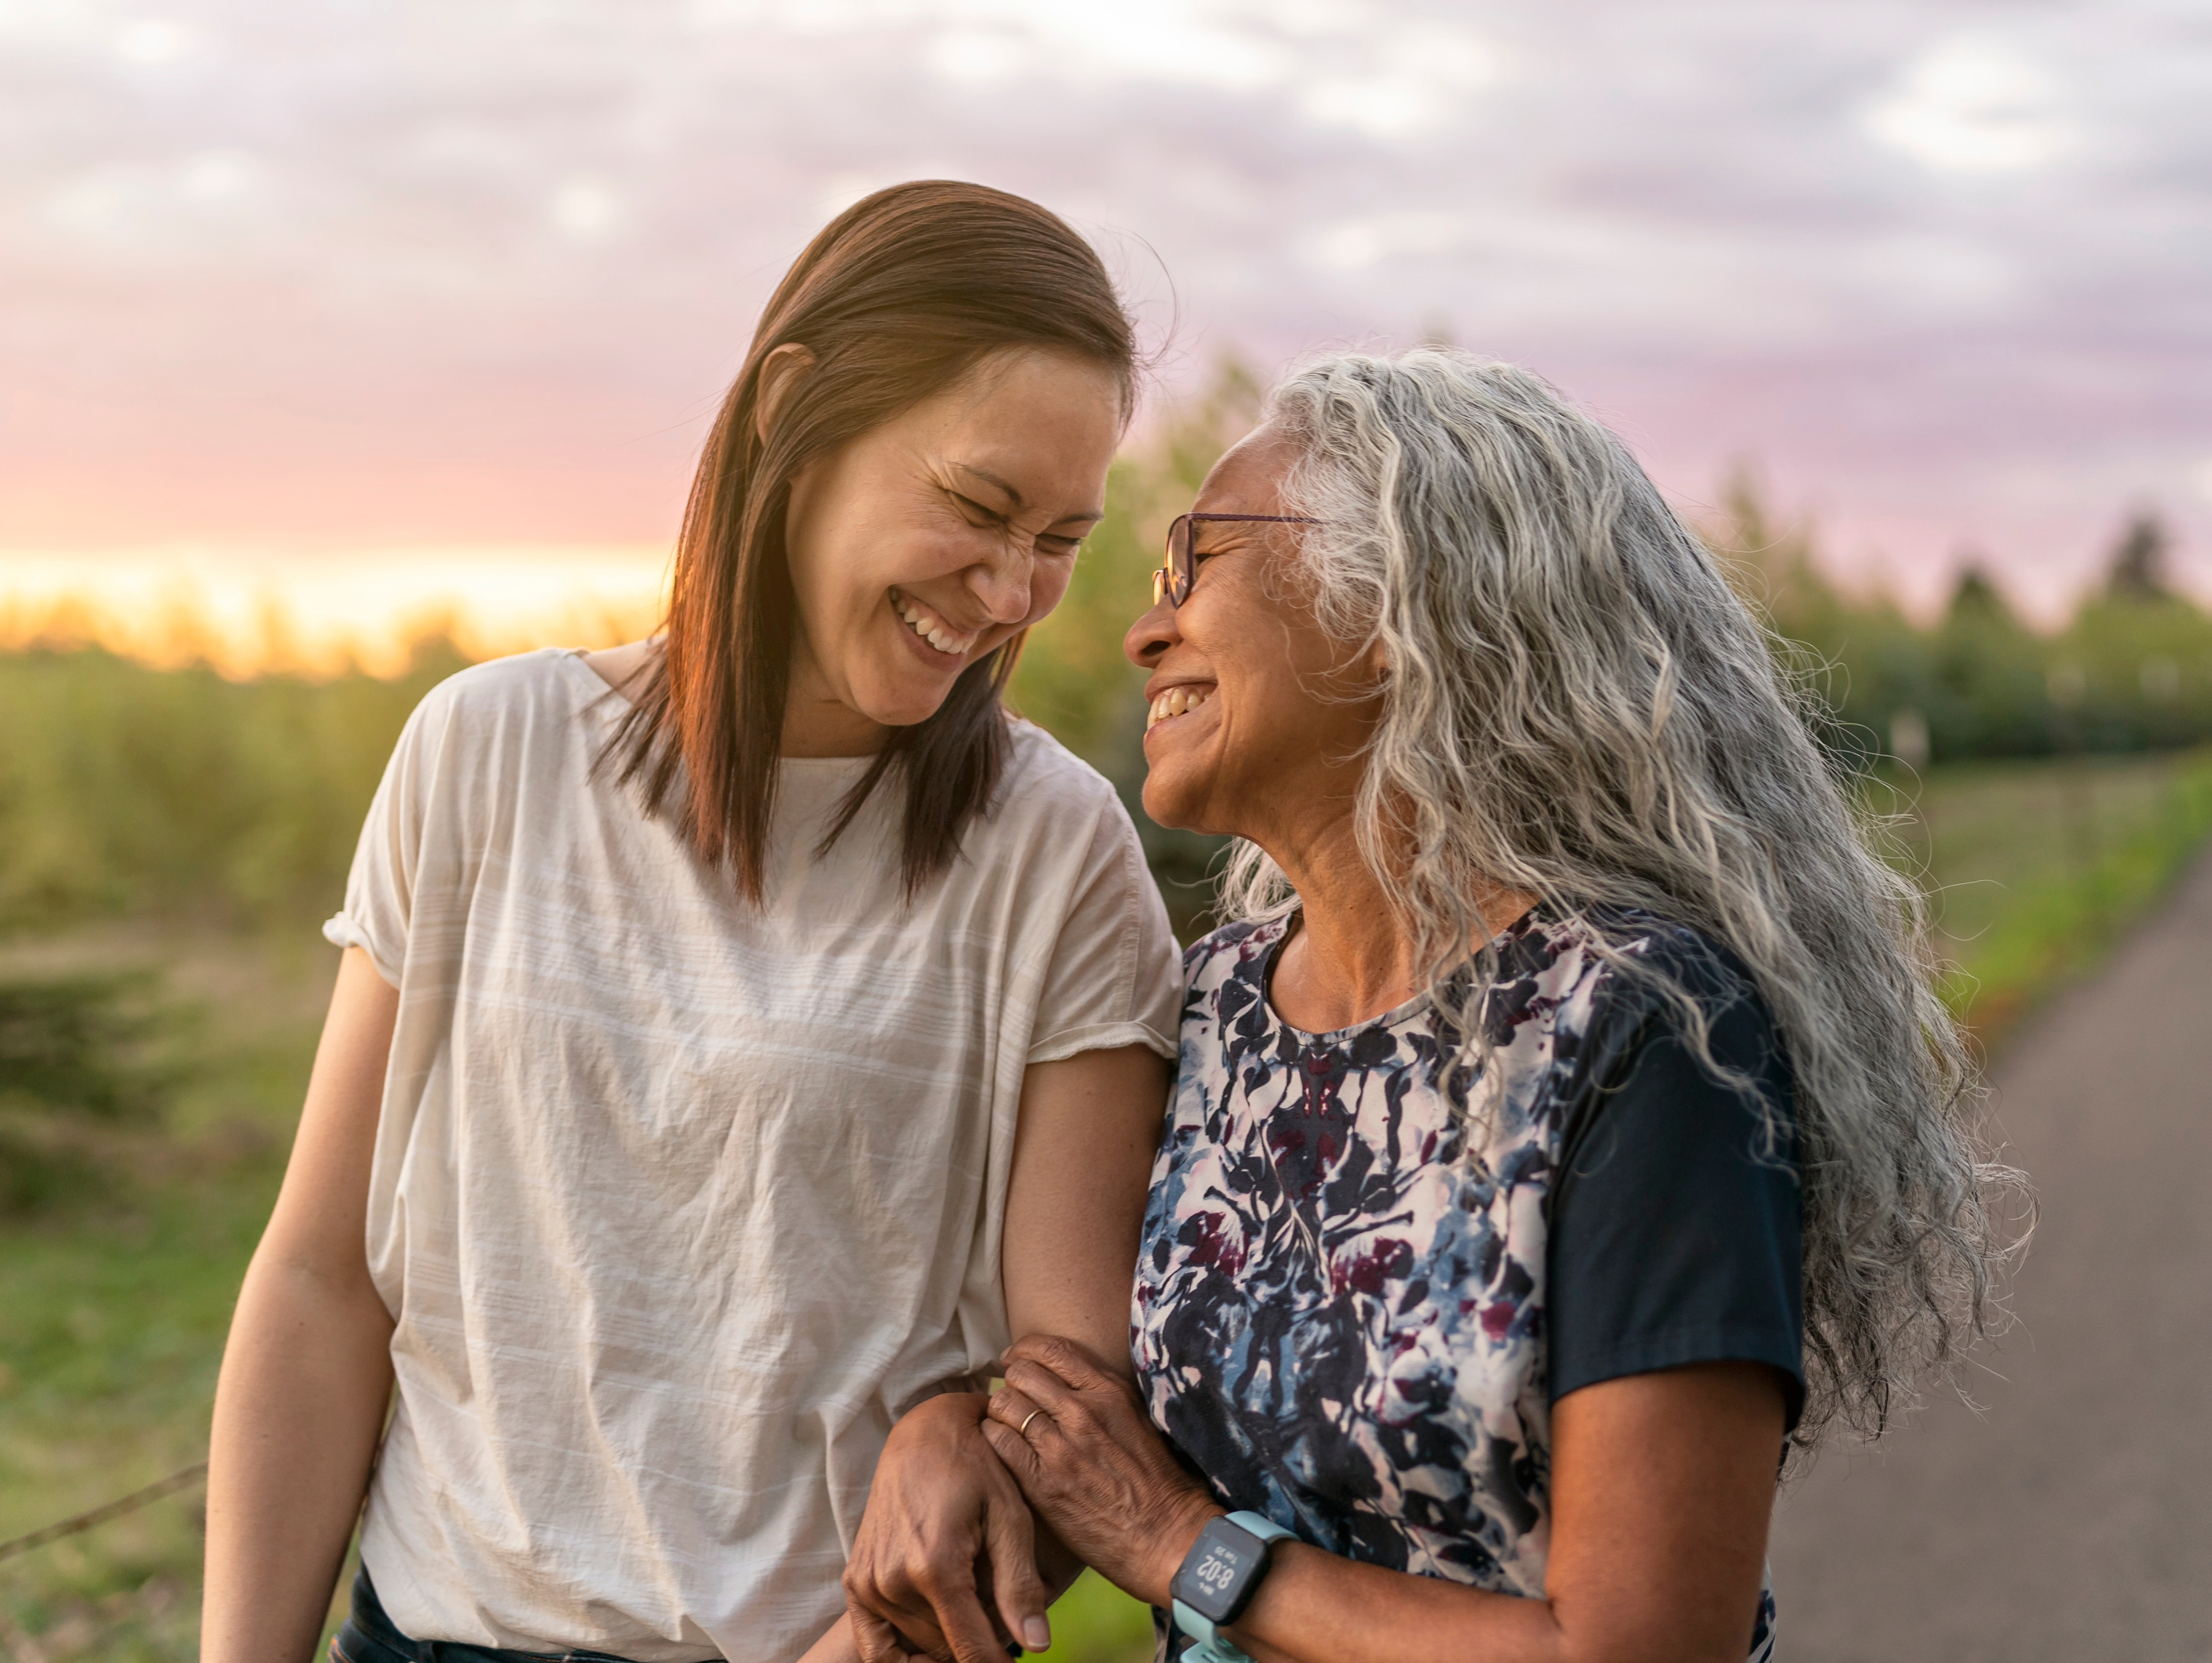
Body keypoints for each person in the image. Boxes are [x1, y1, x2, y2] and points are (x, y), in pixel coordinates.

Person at [845, 349, 2012, 1663]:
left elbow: (1633, 1649)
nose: (1141, 629)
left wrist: (1187, 1552)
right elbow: (1075, 1396)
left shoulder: (1637, 1028)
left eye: (1199, 560)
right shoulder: (1222, 1007)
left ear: (1410, 597)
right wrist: (946, 1420)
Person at [199, 181, 1186, 1663]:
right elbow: (321, 1278)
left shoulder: (1053, 853)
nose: (1009, 590)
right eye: (979, 508)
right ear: (795, 412)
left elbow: (1070, 1393)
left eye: (1057, 535)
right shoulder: (487, 751)